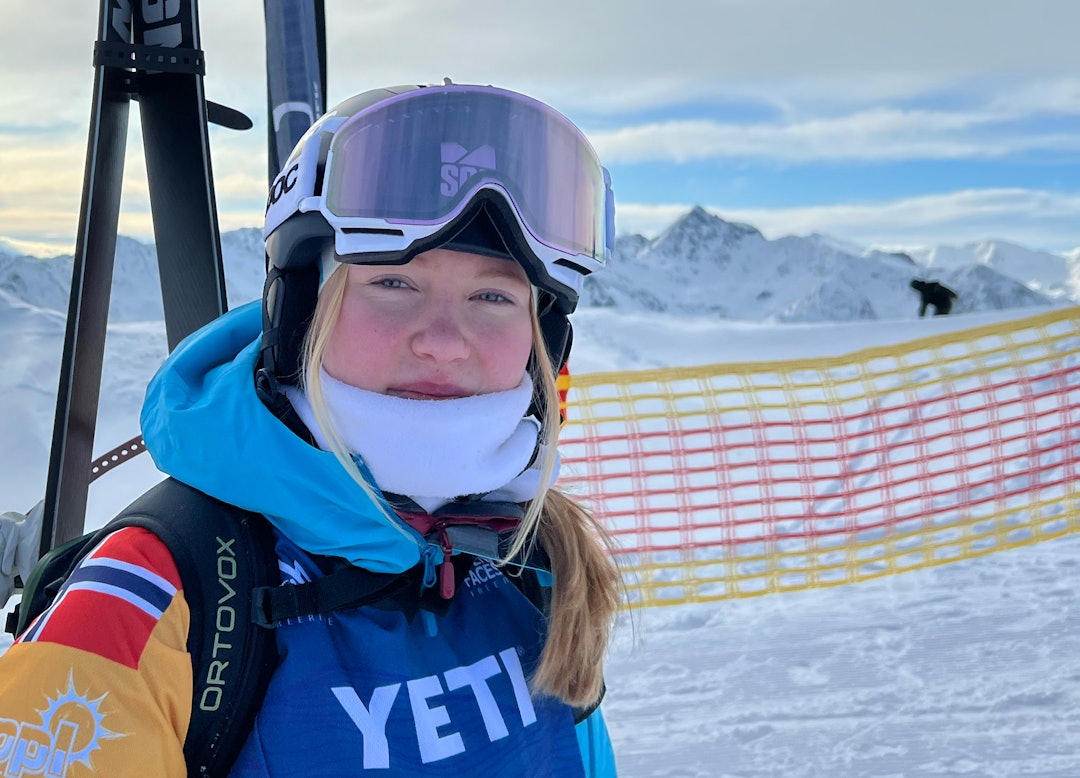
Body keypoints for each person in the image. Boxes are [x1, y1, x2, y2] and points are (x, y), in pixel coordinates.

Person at [0, 83, 622, 776]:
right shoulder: (154, 596)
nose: (445, 342)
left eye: (493, 296)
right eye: (393, 283)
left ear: (546, 342)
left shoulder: (535, 556)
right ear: (299, 311)